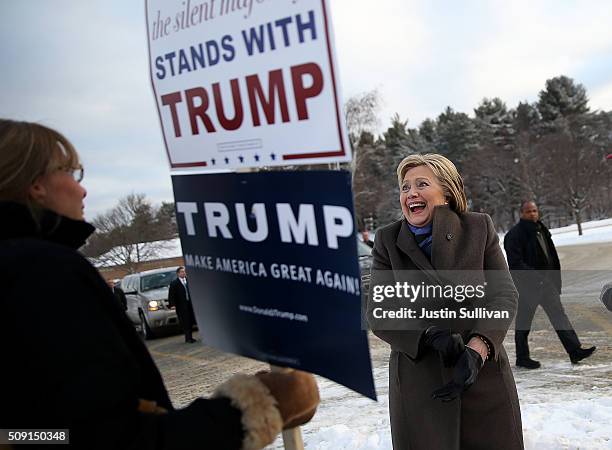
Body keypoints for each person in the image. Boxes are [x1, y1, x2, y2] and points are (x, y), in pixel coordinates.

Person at [0, 119, 320, 449]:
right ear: (36, 185)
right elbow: (114, 439)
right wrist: (258, 407)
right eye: (70, 173)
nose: (82, 189)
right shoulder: (41, 270)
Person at [367, 154, 523, 450]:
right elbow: (379, 311)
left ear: (447, 191)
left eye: (421, 184)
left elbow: (504, 295)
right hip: (420, 384)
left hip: (483, 377)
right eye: (404, 187)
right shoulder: (387, 240)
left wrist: (477, 349)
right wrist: (425, 335)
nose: (410, 193)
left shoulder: (479, 228)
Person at [504, 200, 596, 369]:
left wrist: (554, 280)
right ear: (521, 214)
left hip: (547, 285)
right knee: (524, 323)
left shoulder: (542, 230)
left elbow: (551, 257)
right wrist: (536, 277)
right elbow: (516, 264)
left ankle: (575, 350)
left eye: (534, 210)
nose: (532, 214)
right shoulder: (514, 235)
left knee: (560, 317)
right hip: (527, 288)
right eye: (528, 211)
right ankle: (522, 358)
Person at [168, 266, 197, 343]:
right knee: (185, 321)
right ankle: (188, 338)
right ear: (178, 274)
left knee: (191, 320)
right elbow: (171, 295)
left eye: (184, 271)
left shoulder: (189, 281)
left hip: (190, 304)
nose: (183, 273)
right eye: (181, 272)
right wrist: (172, 305)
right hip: (181, 306)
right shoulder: (174, 283)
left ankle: (191, 337)